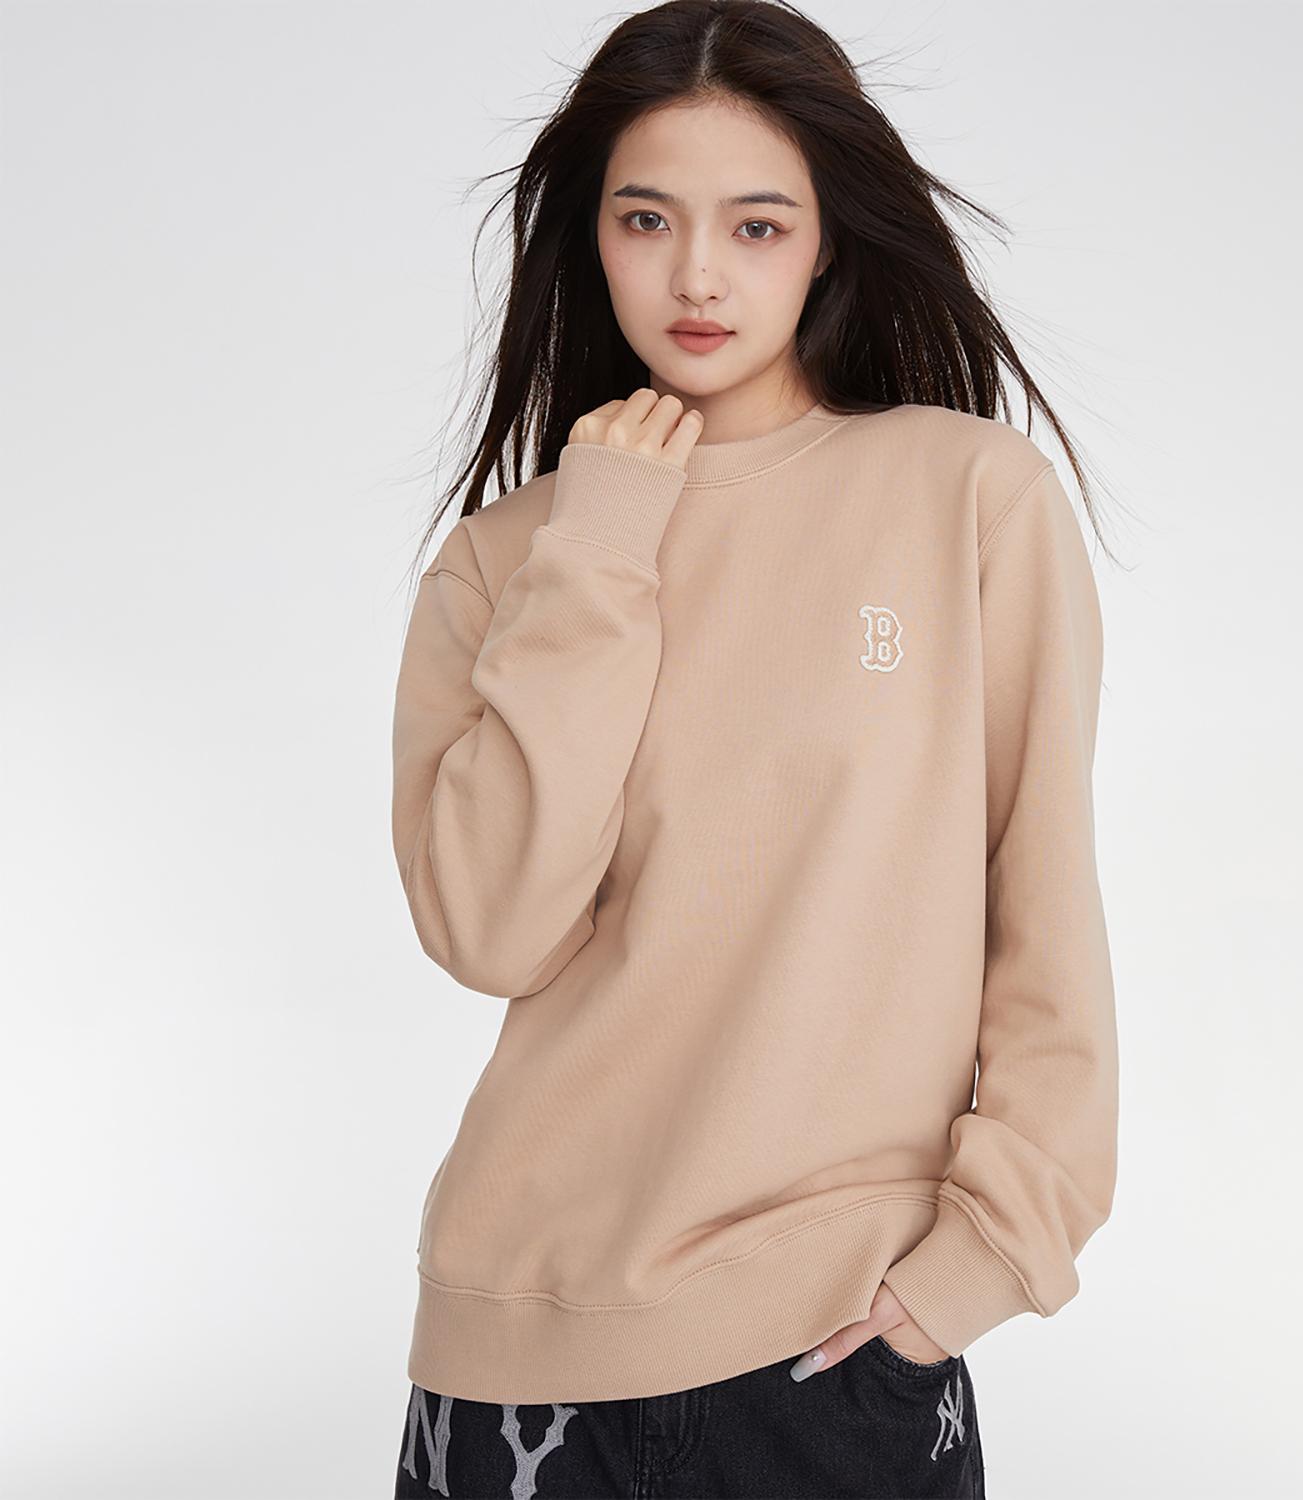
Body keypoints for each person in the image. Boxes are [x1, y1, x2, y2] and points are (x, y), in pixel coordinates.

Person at [389, 2, 1120, 1495]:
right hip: (511, 1355)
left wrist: (991, 1252)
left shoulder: (965, 499)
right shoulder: (509, 559)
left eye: (758, 225)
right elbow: (492, 930)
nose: (699, 276)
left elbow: (1039, 897)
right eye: (647, 219)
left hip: (832, 1347)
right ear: (592, 238)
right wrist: (599, 549)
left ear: (828, 240)